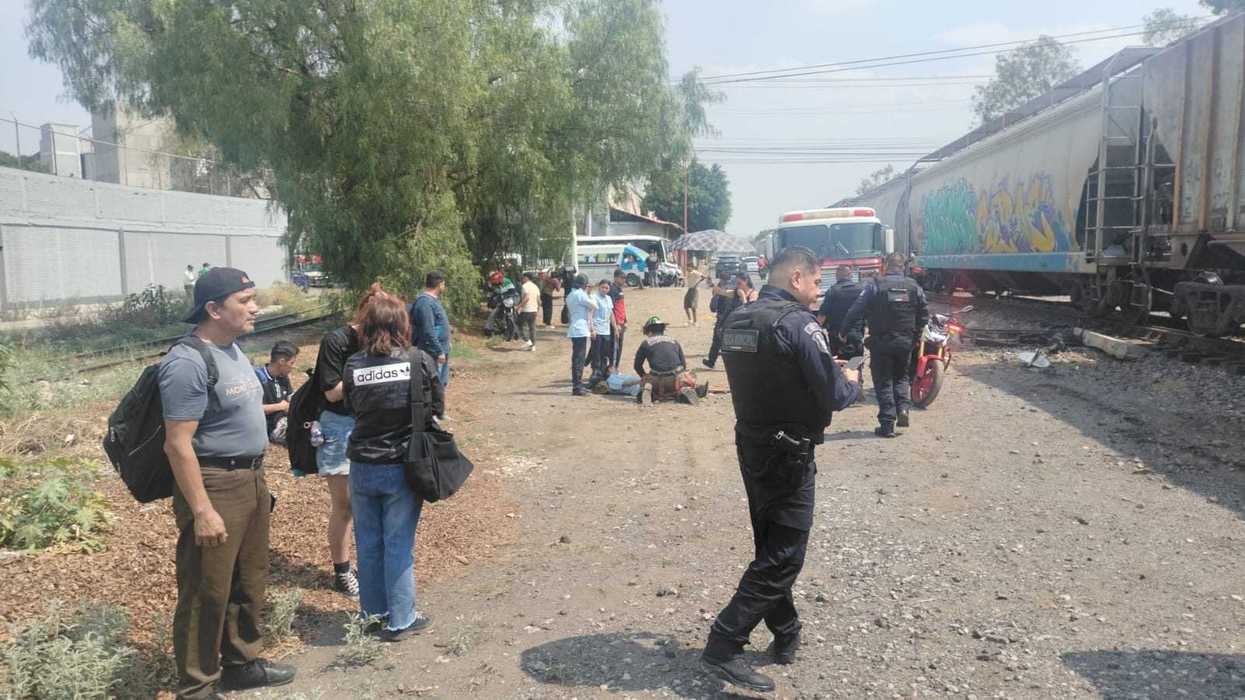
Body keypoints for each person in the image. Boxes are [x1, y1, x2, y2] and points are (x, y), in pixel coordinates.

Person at [699, 246, 859, 693]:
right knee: (785, 555)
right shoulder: (798, 323)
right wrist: (850, 382)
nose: (818, 291)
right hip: (788, 455)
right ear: (795, 279)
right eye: (814, 282)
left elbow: (771, 377)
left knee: (771, 545)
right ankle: (723, 644)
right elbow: (832, 395)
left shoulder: (739, 319)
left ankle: (785, 634)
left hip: (752, 447)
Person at [159, 267, 295, 698]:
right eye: (245, 301)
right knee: (206, 590)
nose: (255, 307)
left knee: (248, 579)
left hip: (251, 477)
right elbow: (177, 445)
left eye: (253, 298)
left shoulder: (234, 350)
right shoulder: (186, 362)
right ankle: (198, 685)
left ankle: (241, 663)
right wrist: (202, 510)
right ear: (214, 309)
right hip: (215, 482)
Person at [341, 288, 441, 642]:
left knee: (367, 543)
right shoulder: (418, 360)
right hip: (402, 465)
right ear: (402, 324)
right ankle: (401, 619)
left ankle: (372, 615)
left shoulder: (353, 365)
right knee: (398, 543)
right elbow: (436, 408)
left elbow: (353, 408)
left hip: (362, 465)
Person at [312, 291, 389, 598]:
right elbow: (331, 392)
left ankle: (367, 565)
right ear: (362, 314)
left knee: (371, 501)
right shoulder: (336, 341)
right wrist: (372, 374)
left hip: (370, 424)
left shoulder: (381, 339)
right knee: (344, 506)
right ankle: (342, 571)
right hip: (340, 425)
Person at [841, 253, 929, 437]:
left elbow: (856, 309)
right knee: (901, 377)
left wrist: (844, 330)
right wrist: (915, 337)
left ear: (885, 265)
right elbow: (923, 314)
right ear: (903, 267)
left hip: (881, 342)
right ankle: (903, 409)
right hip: (905, 342)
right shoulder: (914, 287)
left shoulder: (874, 285)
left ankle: (887, 424)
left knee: (883, 380)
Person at [633, 315, 708, 405]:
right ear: (662, 330)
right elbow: (683, 365)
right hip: (676, 379)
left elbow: (637, 366)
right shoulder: (674, 340)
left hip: (657, 380)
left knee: (647, 381)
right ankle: (686, 389)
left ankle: (648, 389)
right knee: (688, 377)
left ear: (649, 332)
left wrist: (645, 376)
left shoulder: (646, 343)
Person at [408, 271, 452, 405]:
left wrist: (447, 342)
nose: (444, 287)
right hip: (431, 352)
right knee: (433, 383)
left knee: (441, 382)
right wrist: (438, 350)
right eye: (444, 284)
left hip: (441, 349)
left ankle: (439, 411)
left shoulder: (432, 301)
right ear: (440, 284)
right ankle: (431, 414)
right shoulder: (425, 303)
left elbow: (438, 325)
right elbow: (428, 330)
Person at [702, 272, 749, 369]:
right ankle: (713, 361)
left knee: (720, 342)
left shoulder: (732, 291)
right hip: (733, 319)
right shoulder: (736, 290)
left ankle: (712, 361)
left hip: (727, 320)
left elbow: (714, 306)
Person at [256, 340, 299, 445]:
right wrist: (280, 406)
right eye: (292, 363)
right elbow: (253, 410)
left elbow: (290, 398)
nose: (294, 366)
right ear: (282, 361)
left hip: (285, 419)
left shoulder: (283, 377)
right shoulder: (258, 379)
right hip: (270, 426)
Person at [564, 274, 597, 396]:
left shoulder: (571, 295)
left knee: (577, 358)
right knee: (579, 359)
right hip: (580, 329)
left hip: (575, 328)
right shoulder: (580, 294)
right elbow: (594, 305)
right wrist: (590, 293)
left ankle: (577, 385)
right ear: (584, 285)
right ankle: (577, 386)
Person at [586, 279, 617, 389]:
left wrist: (615, 327)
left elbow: (611, 314)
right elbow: (590, 314)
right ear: (599, 287)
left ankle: (603, 374)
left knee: (605, 354)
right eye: (603, 287)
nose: (605, 290)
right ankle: (595, 374)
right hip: (597, 330)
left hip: (606, 331)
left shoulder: (608, 299)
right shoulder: (594, 297)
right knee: (596, 354)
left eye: (607, 288)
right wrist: (592, 329)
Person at [609, 269, 628, 369]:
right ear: (615, 278)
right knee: (614, 348)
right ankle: (612, 368)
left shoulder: (620, 289)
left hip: (621, 324)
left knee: (619, 347)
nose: (624, 280)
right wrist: (616, 325)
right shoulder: (612, 290)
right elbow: (611, 309)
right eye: (622, 278)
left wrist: (625, 321)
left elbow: (622, 307)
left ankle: (616, 368)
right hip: (615, 325)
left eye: (625, 278)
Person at [518, 272, 540, 351]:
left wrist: (519, 306)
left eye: (523, 277)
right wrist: (537, 309)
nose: (522, 279)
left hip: (526, 310)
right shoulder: (535, 286)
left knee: (519, 325)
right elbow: (538, 300)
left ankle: (527, 340)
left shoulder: (524, 286)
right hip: (534, 310)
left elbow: (526, 298)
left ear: (527, 278)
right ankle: (533, 346)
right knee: (532, 328)